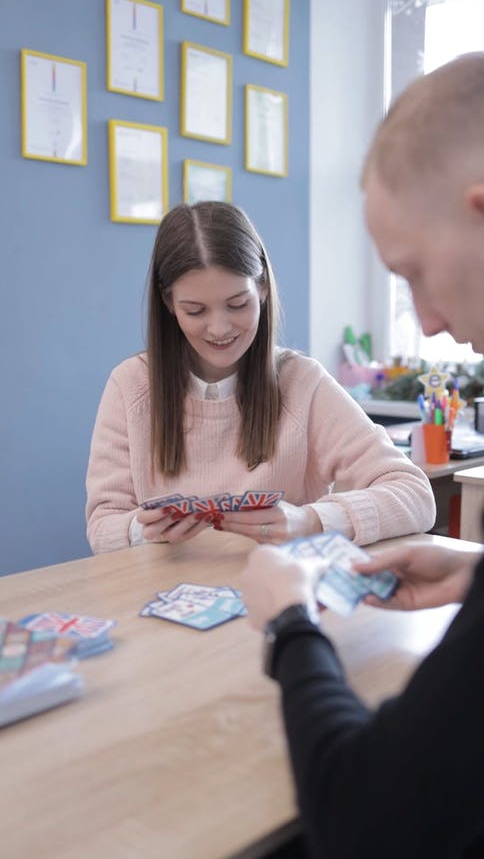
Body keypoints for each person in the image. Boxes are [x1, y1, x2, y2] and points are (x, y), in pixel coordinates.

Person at [241, 52, 484, 859]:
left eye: (412, 272)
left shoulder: (304, 378)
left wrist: (289, 623)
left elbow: (363, 821)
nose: (429, 320)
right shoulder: (130, 386)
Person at [85, 201, 434, 555]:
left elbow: (416, 496)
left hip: (278, 593)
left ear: (263, 288)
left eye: (237, 304)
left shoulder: (303, 383)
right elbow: (102, 525)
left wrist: (310, 521)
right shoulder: (130, 385)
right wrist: (139, 530)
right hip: (153, 597)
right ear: (168, 303)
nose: (219, 329)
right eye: (195, 310)